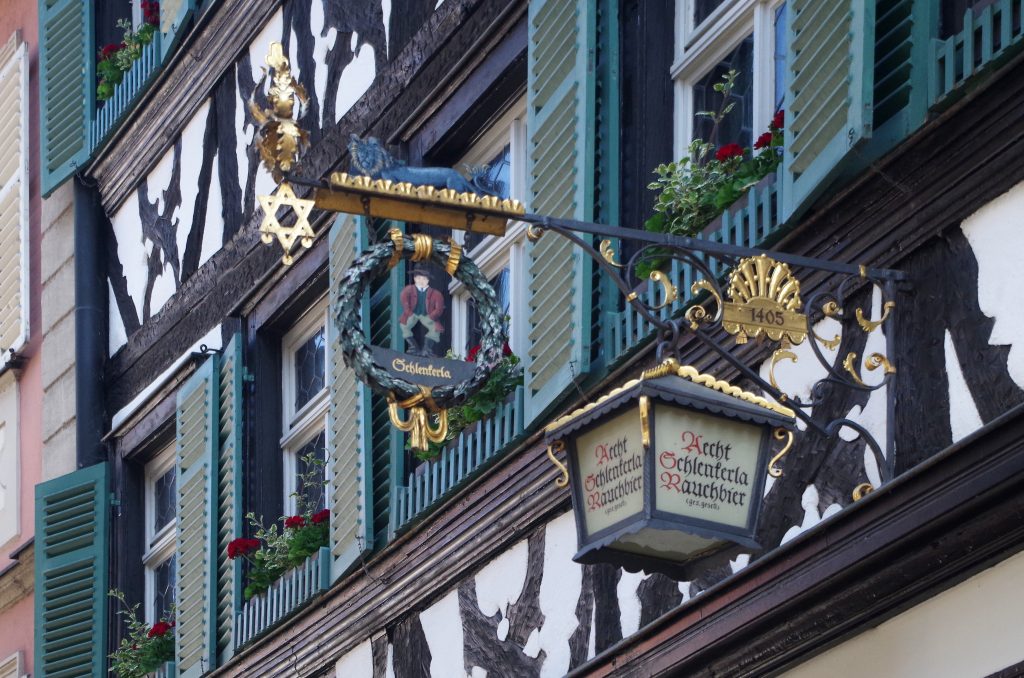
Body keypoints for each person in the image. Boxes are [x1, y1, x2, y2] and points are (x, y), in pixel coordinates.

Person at [399, 268, 445, 356]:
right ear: (415, 279)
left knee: (435, 329)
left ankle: (427, 349)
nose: (421, 281)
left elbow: (439, 309)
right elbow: (404, 300)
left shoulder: (436, 294)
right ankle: (413, 347)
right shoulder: (409, 289)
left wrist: (431, 317)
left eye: (424, 279)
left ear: (428, 280)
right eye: (419, 278)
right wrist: (409, 312)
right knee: (404, 325)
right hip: (413, 313)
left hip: (427, 315)